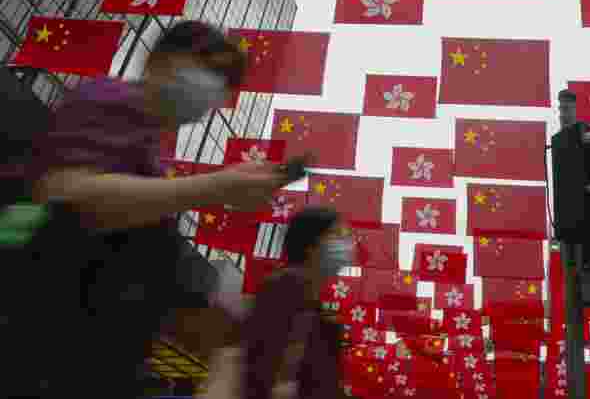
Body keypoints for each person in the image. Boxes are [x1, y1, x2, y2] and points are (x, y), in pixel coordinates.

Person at [11, 20, 293, 399]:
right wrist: (213, 187)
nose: (213, 89)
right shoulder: (107, 97)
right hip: (35, 335)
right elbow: (66, 194)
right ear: (162, 59)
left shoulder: (152, 150)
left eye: (224, 84)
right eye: (208, 69)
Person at [240, 205, 348, 399]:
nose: (345, 245)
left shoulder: (320, 313)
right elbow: (261, 369)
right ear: (311, 245)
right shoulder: (281, 291)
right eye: (336, 235)